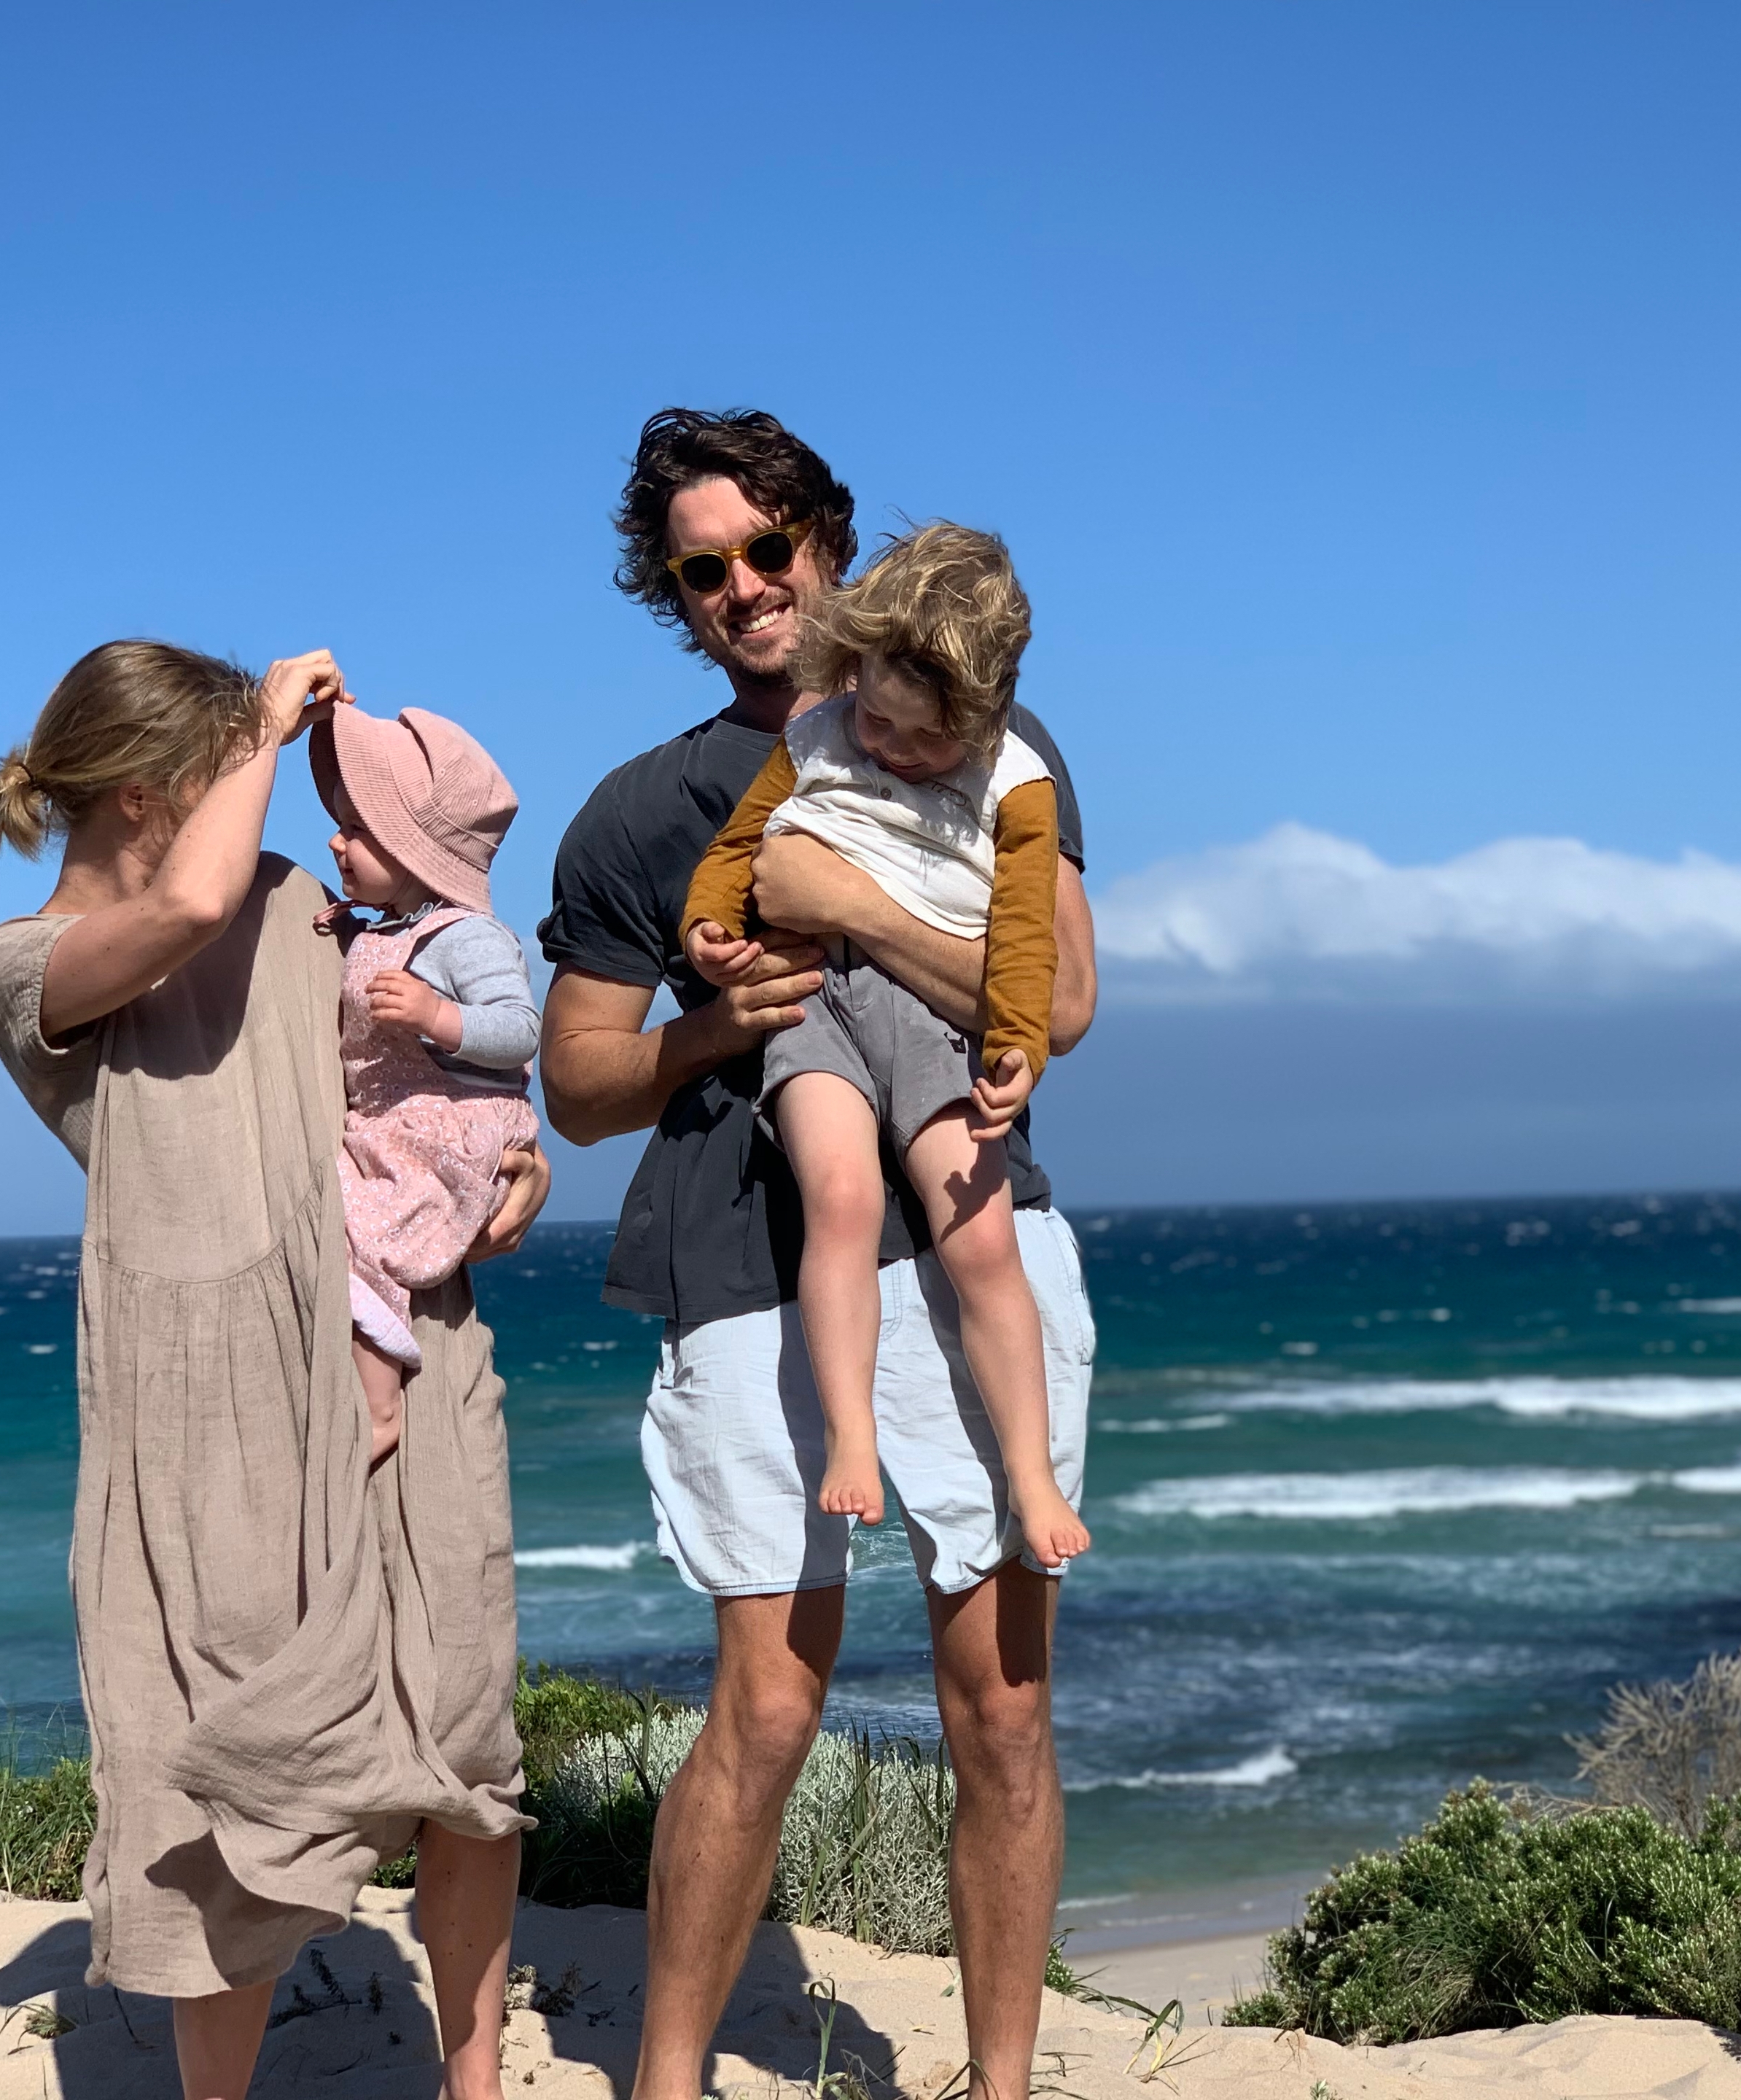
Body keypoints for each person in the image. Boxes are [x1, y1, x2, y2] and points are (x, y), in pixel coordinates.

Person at [538, 412, 1098, 2100]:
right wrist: (717, 1028)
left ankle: (1000, 2083)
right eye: (699, 571)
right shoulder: (643, 811)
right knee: (765, 1707)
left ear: (828, 546)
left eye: (765, 554)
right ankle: (663, 2079)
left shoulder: (999, 736)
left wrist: (851, 916)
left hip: (970, 1229)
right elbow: (576, 1087)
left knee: (997, 1700)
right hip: (739, 1268)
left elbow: (1058, 1004)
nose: (739, 591)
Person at [0, 642, 546, 2100]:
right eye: (233, 769)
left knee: (464, 1752)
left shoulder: (301, 904)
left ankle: (474, 2088)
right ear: (162, 783)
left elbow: (418, 1080)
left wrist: (507, 1176)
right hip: (209, 1405)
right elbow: (188, 900)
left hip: (404, 1339)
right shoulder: (20, 966)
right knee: (207, 1789)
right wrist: (266, 724)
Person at [679, 523, 1088, 1567]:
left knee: (983, 1241)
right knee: (843, 1201)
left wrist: (1013, 1048)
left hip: (928, 1009)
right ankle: (851, 1436)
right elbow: (738, 850)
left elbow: (1029, 935)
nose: (891, 750)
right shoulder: (818, 739)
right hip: (812, 994)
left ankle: (1030, 1475)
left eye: (922, 739)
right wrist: (709, 930)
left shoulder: (1019, 783)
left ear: (984, 714)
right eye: (877, 717)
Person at [309, 702, 541, 1463]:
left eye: (361, 829)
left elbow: (520, 1030)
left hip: (448, 1128)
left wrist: (437, 1016)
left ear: (417, 849)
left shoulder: (467, 937)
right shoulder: (387, 929)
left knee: (358, 1235)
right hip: (397, 1123)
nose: (338, 841)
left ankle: (380, 1406)